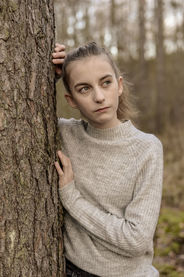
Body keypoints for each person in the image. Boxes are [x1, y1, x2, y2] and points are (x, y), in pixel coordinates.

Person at [52, 42, 163, 277]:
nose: (99, 97)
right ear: (71, 100)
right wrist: (46, 77)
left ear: (119, 85)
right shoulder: (64, 134)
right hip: (70, 270)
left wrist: (71, 198)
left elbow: (136, 240)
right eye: (84, 89)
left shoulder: (147, 149)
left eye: (106, 83)